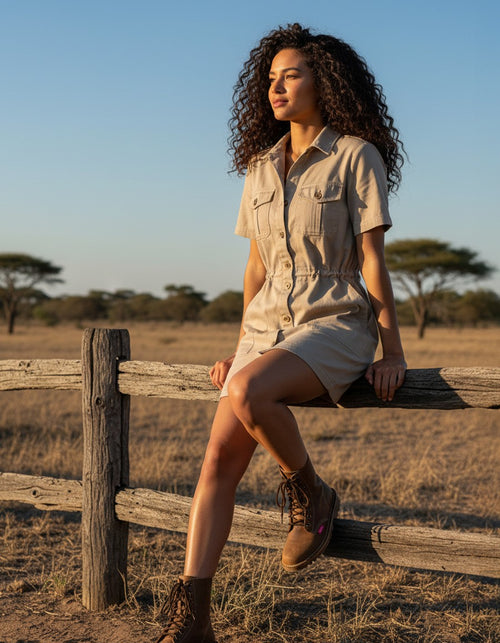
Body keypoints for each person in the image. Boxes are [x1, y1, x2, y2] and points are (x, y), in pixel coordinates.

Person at [154, 23, 407, 643]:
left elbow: (372, 259)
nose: (276, 87)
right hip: (266, 329)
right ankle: (194, 619)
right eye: (270, 79)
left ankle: (312, 496)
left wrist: (392, 349)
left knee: (248, 394)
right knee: (217, 459)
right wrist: (241, 347)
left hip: (335, 323)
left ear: (327, 82)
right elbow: (257, 269)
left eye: (290, 75)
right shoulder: (260, 168)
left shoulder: (355, 155)